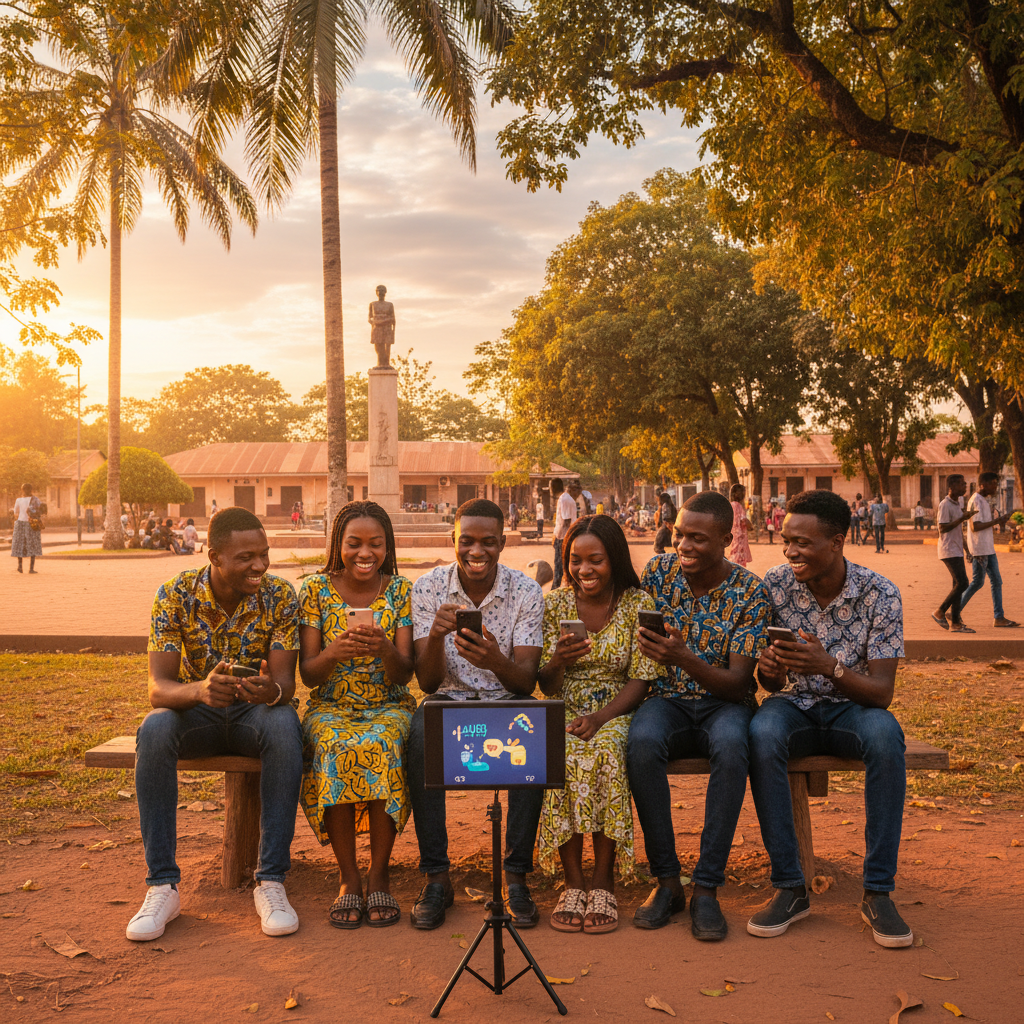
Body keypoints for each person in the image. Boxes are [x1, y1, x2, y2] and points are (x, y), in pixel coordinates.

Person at [129, 507, 304, 942]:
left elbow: (285, 684)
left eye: (264, 554)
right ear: (215, 557)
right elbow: (159, 688)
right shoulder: (175, 594)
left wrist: (271, 693)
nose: (259, 565)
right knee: (153, 729)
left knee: (284, 725)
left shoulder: (280, 595)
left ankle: (271, 881)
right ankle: (162, 886)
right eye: (246, 557)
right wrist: (201, 691)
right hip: (197, 715)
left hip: (254, 715)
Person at [747, 489, 911, 947]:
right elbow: (768, 686)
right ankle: (790, 887)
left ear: (837, 542)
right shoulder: (776, 585)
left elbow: (881, 693)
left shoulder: (880, 594)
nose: (791, 551)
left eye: (803, 542)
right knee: (760, 733)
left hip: (854, 710)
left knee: (885, 737)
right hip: (794, 706)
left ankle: (878, 891)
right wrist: (770, 670)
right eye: (787, 540)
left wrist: (829, 666)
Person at [627, 492, 770, 941]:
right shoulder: (658, 574)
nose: (683, 546)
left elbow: (737, 682)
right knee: (641, 743)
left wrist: (683, 656)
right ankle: (668, 883)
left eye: (697, 538)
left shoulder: (750, 590)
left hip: (724, 705)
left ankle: (706, 888)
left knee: (732, 747)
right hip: (666, 699)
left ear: (727, 539)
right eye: (680, 535)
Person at [407, 499, 544, 930]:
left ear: (503, 543)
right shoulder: (429, 588)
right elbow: (427, 684)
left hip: (506, 700)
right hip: (447, 698)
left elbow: (524, 683)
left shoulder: (525, 591)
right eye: (466, 541)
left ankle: (516, 877)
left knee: (535, 732)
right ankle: (437, 877)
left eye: (488, 542)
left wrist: (493, 661)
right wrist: (434, 636)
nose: (476, 551)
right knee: (418, 735)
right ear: (454, 541)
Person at [538, 516, 658, 933]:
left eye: (596, 560)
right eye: (575, 560)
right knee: (564, 753)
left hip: (617, 709)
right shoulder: (554, 605)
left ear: (615, 560)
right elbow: (546, 683)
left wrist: (601, 718)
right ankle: (573, 881)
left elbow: (641, 678)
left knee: (605, 752)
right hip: (566, 706)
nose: (584, 570)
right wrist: (558, 660)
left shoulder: (636, 604)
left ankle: (603, 878)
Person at [298, 502, 415, 928]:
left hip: (387, 704)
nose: (364, 553)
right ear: (338, 545)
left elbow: (406, 672)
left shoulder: (400, 590)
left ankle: (379, 872)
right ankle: (348, 877)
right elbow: (309, 675)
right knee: (336, 744)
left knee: (382, 741)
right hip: (330, 705)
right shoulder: (314, 590)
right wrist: (335, 652)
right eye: (354, 543)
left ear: (387, 547)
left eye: (375, 544)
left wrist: (384, 648)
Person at [960, 472, 1019, 628]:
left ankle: (999, 617)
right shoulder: (976, 501)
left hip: (987, 547)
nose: (995, 486)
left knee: (995, 581)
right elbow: (975, 526)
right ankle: (954, 610)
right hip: (980, 549)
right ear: (982, 485)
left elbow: (984, 524)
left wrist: (1001, 522)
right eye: (992, 483)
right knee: (978, 582)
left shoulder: (983, 501)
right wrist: (997, 520)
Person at [932, 474, 977, 633]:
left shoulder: (958, 503)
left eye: (965, 484)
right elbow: (942, 528)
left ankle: (956, 623)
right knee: (963, 583)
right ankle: (940, 612)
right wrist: (962, 518)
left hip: (956, 548)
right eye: (961, 484)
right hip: (948, 549)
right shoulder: (945, 505)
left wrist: (967, 550)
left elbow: (958, 531)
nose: (965, 487)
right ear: (951, 487)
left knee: (957, 585)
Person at [551, 478, 579, 589]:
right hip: (564, 536)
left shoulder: (564, 499)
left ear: (553, 487)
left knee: (559, 565)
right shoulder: (565, 498)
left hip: (563, 537)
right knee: (562, 565)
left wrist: (557, 537)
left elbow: (566, 521)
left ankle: (555, 590)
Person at [11, 483, 42, 573]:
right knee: (32, 545)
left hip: (20, 524)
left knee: (20, 545)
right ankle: (31, 569)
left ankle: (20, 567)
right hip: (31, 524)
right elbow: (40, 510)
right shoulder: (35, 499)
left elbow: (15, 512)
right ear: (31, 490)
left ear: (22, 490)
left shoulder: (19, 500)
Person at [728, 484, 752, 567]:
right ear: (736, 494)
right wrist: (751, 526)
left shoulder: (730, 505)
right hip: (739, 537)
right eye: (742, 492)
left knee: (733, 557)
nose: (744, 494)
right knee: (739, 561)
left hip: (733, 536)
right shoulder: (738, 506)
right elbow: (743, 520)